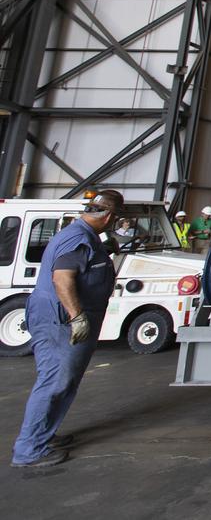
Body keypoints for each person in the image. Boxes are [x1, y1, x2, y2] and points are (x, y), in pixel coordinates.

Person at [11, 189, 123, 468]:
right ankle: (29, 450)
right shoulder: (78, 238)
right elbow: (62, 279)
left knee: (61, 381)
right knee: (55, 382)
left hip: (58, 317)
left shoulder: (84, 237)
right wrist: (77, 316)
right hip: (59, 320)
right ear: (109, 216)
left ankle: (43, 434)